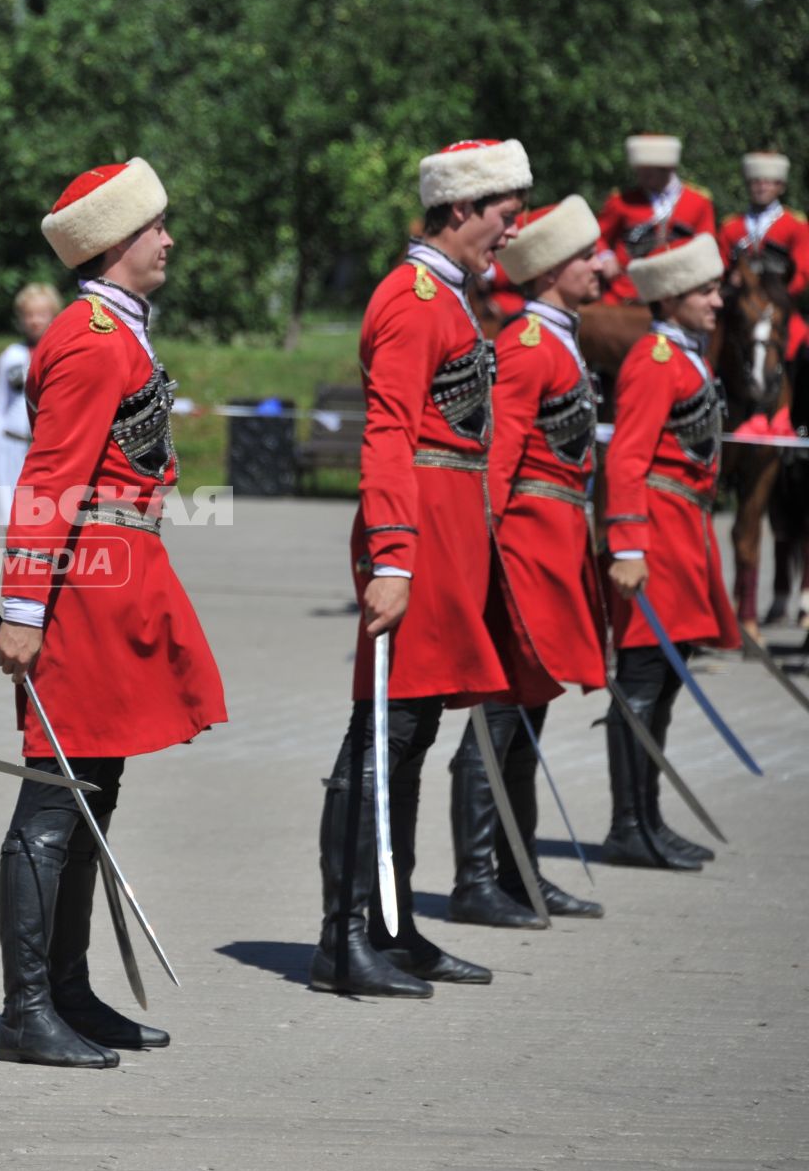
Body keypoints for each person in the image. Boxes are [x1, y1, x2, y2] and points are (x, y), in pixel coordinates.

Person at [310, 138, 560, 1000]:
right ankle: (343, 939)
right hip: (412, 538)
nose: (511, 230)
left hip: (448, 540)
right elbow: (387, 436)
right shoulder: (414, 300)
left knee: (411, 738)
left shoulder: (451, 299)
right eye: (502, 213)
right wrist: (391, 555)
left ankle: (391, 925)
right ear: (460, 209)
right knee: (381, 738)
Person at [0, 158, 226, 1066]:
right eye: (155, 227)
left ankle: (69, 988)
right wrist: (23, 609)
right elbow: (47, 482)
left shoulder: (117, 330)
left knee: (94, 793)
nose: (168, 240)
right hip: (82, 582)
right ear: (114, 242)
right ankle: (25, 1008)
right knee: (54, 802)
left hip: (118, 571)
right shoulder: (90, 337)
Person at [445, 197, 608, 930]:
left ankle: (518, 871)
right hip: (520, 555)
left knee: (528, 718)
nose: (602, 266)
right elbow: (497, 463)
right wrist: (485, 563)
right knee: (499, 718)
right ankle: (477, 880)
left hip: (557, 548)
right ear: (548, 271)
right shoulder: (527, 343)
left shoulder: (561, 339)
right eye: (586, 256)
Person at [599, 236, 741, 869]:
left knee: (665, 684)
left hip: (685, 533)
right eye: (707, 291)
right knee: (641, 684)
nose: (718, 300)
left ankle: (648, 817)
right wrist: (626, 544)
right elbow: (626, 456)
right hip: (652, 536)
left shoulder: (688, 357)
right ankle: (627, 826)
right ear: (673, 297)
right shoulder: (655, 358)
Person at [596, 134, 717, 305]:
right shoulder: (621, 201)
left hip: (678, 294)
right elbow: (598, 235)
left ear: (667, 168)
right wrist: (605, 257)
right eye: (639, 169)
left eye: (648, 171)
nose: (641, 175)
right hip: (625, 294)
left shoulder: (699, 202)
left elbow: (707, 247)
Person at [0, 283, 61, 525]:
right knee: (11, 519)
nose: (35, 320)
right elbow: (0, 406)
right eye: (29, 314)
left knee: (44, 520)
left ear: (53, 314)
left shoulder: (61, 353)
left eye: (41, 314)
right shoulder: (10, 356)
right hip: (12, 445)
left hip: (47, 449)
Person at [718, 151, 808, 303]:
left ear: (780, 186)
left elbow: (802, 272)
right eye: (756, 182)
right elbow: (720, 267)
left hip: (780, 302)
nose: (762, 187)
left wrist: (779, 294)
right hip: (738, 301)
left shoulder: (796, 225)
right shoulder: (730, 226)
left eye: (769, 182)